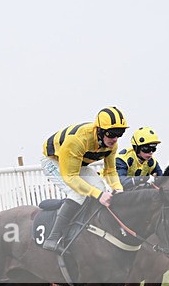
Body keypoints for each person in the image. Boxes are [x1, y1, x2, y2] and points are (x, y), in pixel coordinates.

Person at [40, 106, 127, 253]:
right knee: (79, 193)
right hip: (53, 161)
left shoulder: (112, 144)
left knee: (101, 188)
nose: (115, 138)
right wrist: (98, 195)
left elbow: (110, 170)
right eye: (112, 133)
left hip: (77, 163)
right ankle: (53, 238)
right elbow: (71, 178)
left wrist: (118, 188)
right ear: (99, 130)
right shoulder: (78, 140)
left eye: (120, 133)